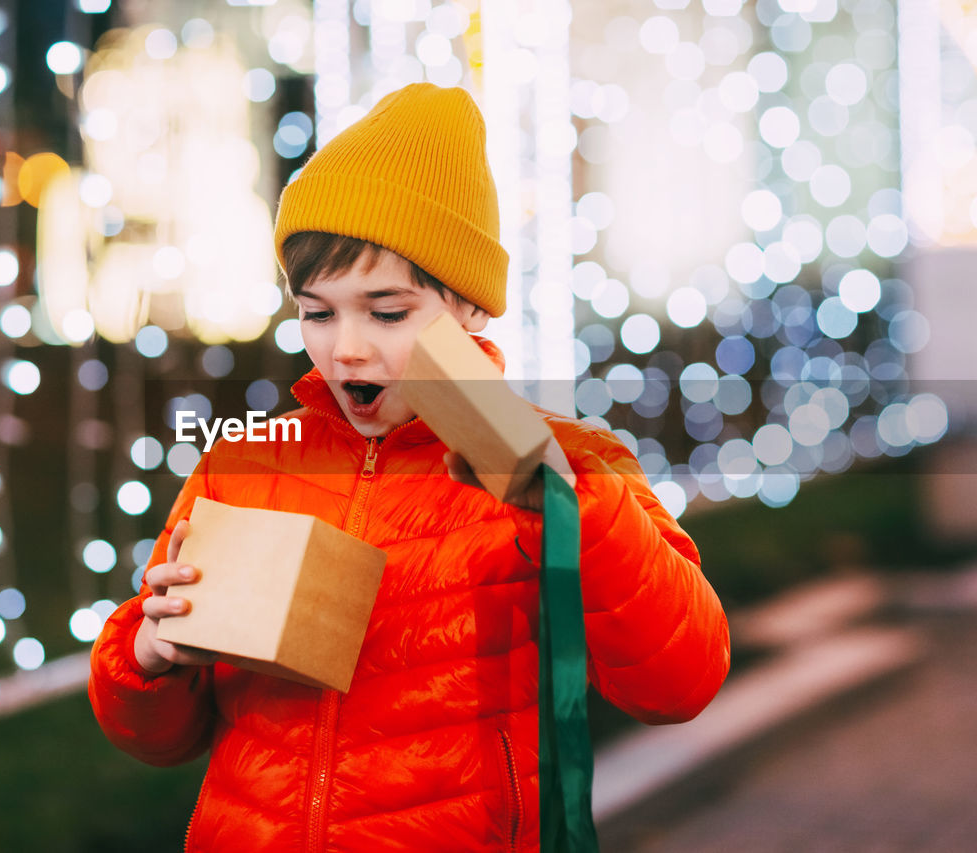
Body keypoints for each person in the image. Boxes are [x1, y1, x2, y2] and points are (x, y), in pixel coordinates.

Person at [89, 82, 730, 852]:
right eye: (317, 312)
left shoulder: (573, 464)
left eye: (386, 311)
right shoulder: (246, 462)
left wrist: (576, 508)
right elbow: (159, 737)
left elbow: (682, 681)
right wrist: (146, 657)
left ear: (471, 308)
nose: (346, 348)